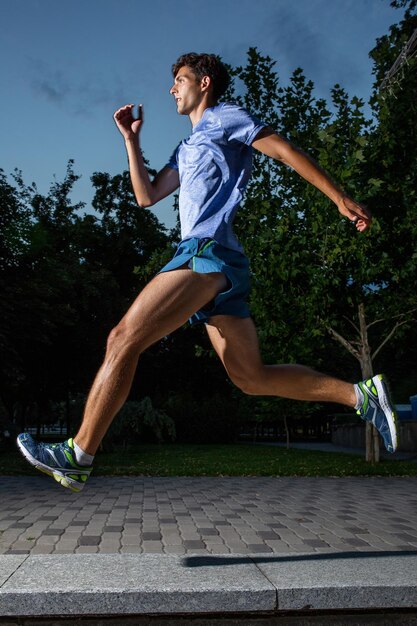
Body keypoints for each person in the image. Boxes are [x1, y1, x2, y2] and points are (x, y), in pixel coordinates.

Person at [17, 53, 399, 492]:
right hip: (218, 263)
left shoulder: (225, 117)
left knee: (122, 339)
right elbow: (147, 195)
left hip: (206, 251)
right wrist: (130, 140)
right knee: (251, 377)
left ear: (205, 82)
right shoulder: (188, 146)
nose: (172, 89)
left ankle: (78, 454)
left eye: (180, 79)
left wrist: (337, 197)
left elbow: (285, 150)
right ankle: (361, 396)